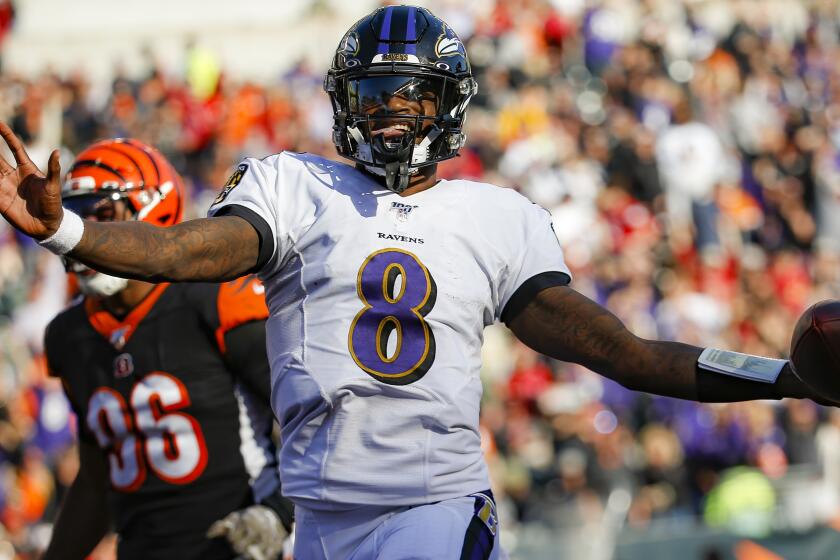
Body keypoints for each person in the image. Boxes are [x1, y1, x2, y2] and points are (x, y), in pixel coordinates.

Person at [0, 6, 829, 559]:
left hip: (429, 516)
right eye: (372, 93)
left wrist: (784, 380)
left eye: (411, 92)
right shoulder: (296, 186)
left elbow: (626, 354)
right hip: (318, 523)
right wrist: (69, 230)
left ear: (450, 104)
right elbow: (183, 253)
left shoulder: (494, 217)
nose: (390, 108)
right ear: (340, 102)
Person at [38, 139, 293, 560]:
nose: (84, 230)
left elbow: (312, 418)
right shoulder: (69, 335)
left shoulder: (214, 299)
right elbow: (97, 477)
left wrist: (279, 512)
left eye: (99, 213)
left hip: (239, 544)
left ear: (150, 210)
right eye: (73, 215)